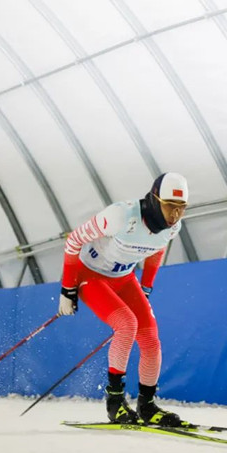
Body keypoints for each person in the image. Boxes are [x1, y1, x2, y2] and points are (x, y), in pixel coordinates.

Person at [58, 172, 189, 427]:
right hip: (91, 276)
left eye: (181, 208)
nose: (175, 214)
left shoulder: (173, 226)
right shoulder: (120, 216)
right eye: (169, 206)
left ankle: (147, 406)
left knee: (150, 338)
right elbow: (73, 241)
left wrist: (146, 286)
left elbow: (157, 249)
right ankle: (115, 403)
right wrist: (67, 289)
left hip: (124, 278)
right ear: (155, 200)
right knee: (127, 324)